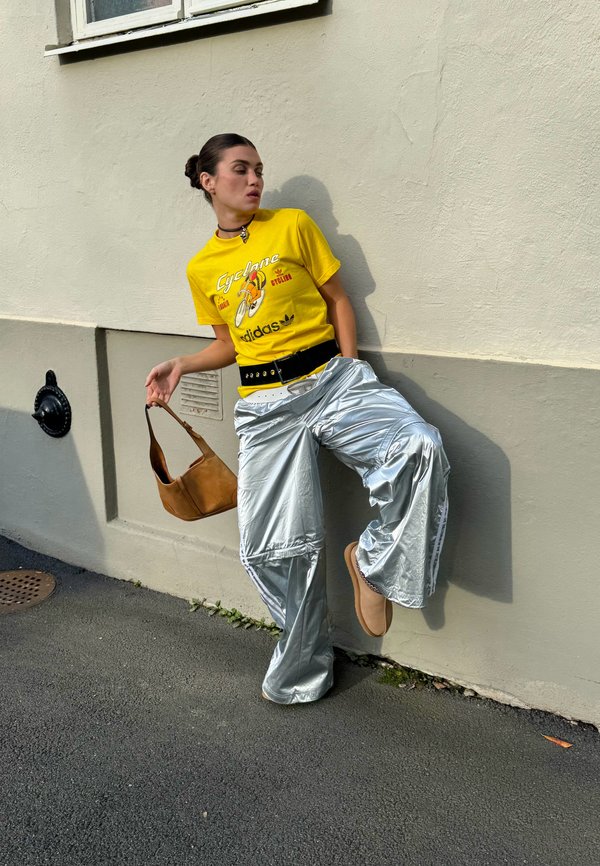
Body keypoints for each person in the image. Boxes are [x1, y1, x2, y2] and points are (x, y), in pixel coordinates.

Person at [145, 133, 450, 705]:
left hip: (331, 379)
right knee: (273, 547)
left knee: (418, 446)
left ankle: (374, 563)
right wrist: (182, 364)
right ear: (209, 181)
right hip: (265, 405)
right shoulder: (202, 267)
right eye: (241, 169)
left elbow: (338, 300)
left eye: (259, 169)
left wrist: (352, 369)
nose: (255, 179)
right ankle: (305, 672)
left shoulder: (292, 226)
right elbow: (230, 345)